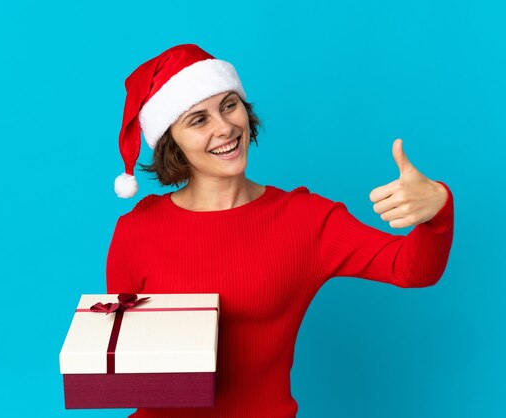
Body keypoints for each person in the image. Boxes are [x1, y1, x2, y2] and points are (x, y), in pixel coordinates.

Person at [107, 43, 454, 418]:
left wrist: (437, 208)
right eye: (198, 120)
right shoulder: (136, 229)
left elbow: (414, 268)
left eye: (228, 105)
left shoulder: (305, 219)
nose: (225, 128)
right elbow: (123, 360)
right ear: (171, 142)